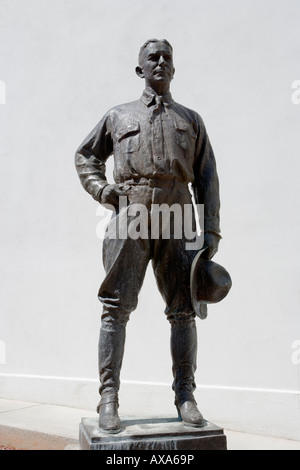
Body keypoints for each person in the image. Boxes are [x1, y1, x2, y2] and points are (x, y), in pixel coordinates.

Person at [75, 39, 221, 433]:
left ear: (174, 69)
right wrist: (103, 190)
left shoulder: (190, 119)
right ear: (140, 70)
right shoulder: (118, 116)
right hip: (131, 209)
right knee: (115, 308)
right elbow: (86, 156)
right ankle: (108, 398)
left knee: (183, 310)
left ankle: (186, 395)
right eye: (152, 58)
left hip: (178, 210)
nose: (160, 62)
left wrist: (210, 230)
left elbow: (206, 177)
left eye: (167, 58)